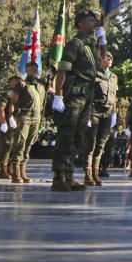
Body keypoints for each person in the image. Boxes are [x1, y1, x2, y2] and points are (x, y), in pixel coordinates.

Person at [50, 10, 102, 192]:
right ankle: (59, 177)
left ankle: (69, 174)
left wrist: (102, 41)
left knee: (78, 138)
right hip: (73, 97)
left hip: (87, 97)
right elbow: (63, 69)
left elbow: (102, 64)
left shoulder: (91, 46)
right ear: (80, 23)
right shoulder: (75, 44)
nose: (94, 23)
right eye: (90, 20)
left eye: (95, 21)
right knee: (66, 136)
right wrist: (58, 95)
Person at [7, 62, 46, 184]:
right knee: (20, 143)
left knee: (29, 145)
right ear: (26, 70)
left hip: (37, 117)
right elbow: (13, 101)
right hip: (25, 116)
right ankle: (16, 173)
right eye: (31, 68)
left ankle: (23, 171)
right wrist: (11, 116)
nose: (34, 70)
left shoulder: (41, 85)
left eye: (36, 68)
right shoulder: (22, 85)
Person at [85, 53, 118, 185]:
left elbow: (114, 95)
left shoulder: (114, 77)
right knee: (91, 143)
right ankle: (87, 174)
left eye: (111, 59)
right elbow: (88, 93)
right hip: (95, 111)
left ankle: (95, 173)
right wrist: (86, 113)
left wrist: (114, 113)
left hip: (108, 113)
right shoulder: (94, 74)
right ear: (100, 61)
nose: (109, 60)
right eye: (106, 58)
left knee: (101, 144)